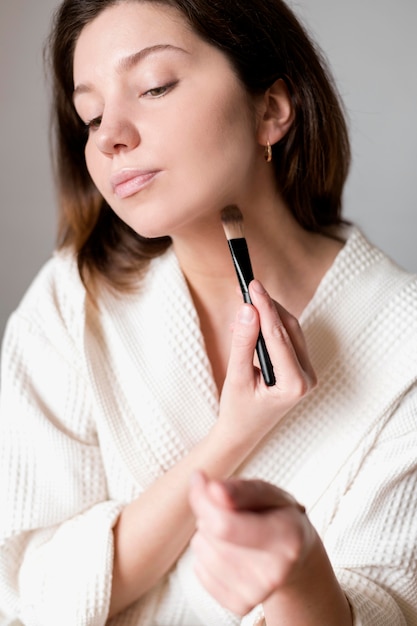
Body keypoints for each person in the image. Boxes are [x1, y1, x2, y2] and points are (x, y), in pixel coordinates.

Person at [0, 0, 416, 624]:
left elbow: (389, 609)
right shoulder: (72, 301)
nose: (111, 134)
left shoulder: (404, 341)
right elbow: (33, 597)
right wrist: (232, 435)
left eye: (155, 86)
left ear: (272, 108)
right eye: (90, 114)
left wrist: (301, 573)